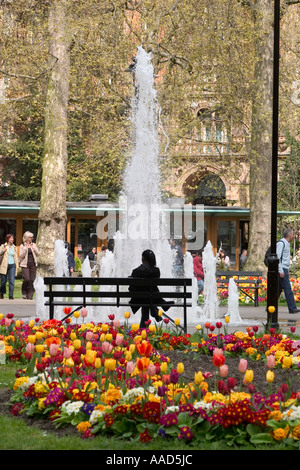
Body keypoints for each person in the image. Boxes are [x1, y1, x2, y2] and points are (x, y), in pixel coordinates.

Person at [129, 249, 174, 328]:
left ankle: (145, 325)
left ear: (143, 259)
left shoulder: (136, 271)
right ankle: (155, 309)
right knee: (150, 290)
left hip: (139, 299)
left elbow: (131, 288)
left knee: (146, 294)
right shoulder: (156, 271)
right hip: (152, 298)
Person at [277, 228, 299, 314]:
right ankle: (292, 308)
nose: (293, 236)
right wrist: (280, 270)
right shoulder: (281, 243)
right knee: (288, 289)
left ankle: (270, 306)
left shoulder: (286, 244)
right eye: (292, 234)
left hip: (284, 269)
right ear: (289, 235)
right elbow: (278, 257)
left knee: (278, 290)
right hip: (282, 270)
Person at [19, 231, 39, 300]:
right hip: (25, 264)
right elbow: (21, 255)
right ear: (26, 238)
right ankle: (24, 292)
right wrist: (25, 249)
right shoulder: (22, 245)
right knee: (27, 279)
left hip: (33, 264)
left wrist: (34, 249)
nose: (31, 239)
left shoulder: (34, 245)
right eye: (30, 237)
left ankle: (30, 295)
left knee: (32, 280)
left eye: (32, 237)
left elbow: (38, 254)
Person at [0, 234, 19, 300]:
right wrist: (3, 251)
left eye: (13, 238)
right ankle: (2, 293)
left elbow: (16, 257)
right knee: (3, 281)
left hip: (12, 265)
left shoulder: (14, 247)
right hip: (4, 265)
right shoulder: (3, 246)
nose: (12, 239)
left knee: (12, 281)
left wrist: (17, 266)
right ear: (7, 239)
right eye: (11, 238)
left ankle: (11, 295)